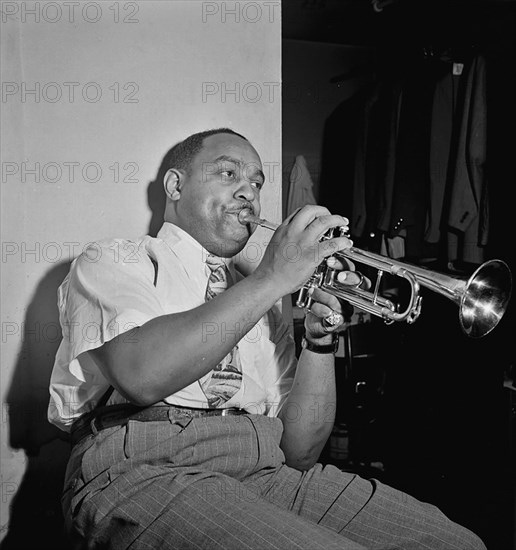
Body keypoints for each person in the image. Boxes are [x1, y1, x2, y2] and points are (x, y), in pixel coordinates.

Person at [48, 128, 486, 549]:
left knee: (457, 543)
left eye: (256, 181)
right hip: (145, 468)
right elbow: (142, 375)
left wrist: (319, 342)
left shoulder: (262, 295)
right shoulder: (117, 259)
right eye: (228, 173)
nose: (249, 191)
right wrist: (274, 278)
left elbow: (299, 452)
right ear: (175, 185)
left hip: (261, 469)